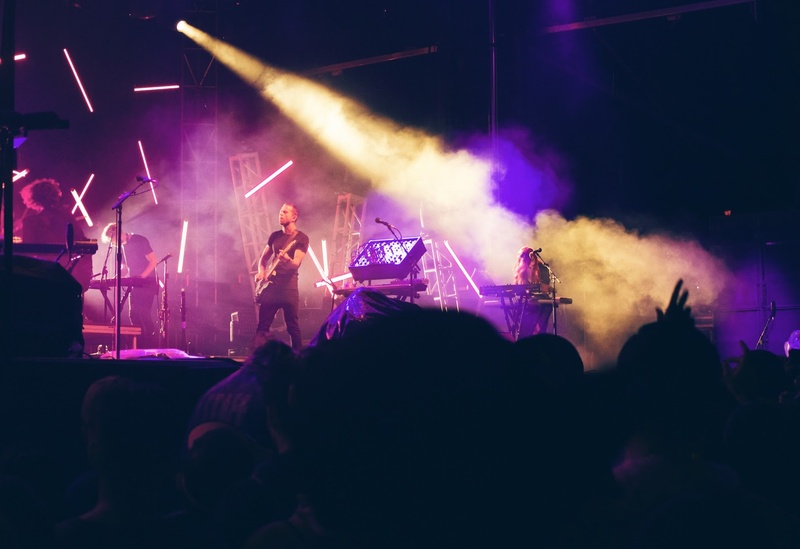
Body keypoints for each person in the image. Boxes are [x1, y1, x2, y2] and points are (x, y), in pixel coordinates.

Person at [16, 178, 93, 296]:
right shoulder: (66, 216)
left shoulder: (30, 221)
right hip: (66, 272)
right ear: (55, 195)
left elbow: (28, 252)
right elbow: (81, 241)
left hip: (41, 274)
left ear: (33, 198)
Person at [254, 203, 309, 352]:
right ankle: (258, 356)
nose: (281, 214)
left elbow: (296, 263)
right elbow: (263, 259)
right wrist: (261, 272)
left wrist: (287, 259)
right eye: (280, 212)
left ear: (294, 217)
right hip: (271, 287)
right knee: (263, 326)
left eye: (285, 212)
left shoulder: (301, 238)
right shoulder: (274, 236)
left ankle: (297, 358)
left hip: (289, 288)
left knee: (292, 327)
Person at [100, 222, 159, 348]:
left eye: (112, 240)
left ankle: (152, 343)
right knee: (133, 314)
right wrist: (115, 279)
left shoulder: (139, 240)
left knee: (144, 313)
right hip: (135, 285)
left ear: (116, 233)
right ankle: (139, 345)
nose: (113, 244)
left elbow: (153, 261)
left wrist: (142, 277)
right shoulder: (122, 247)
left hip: (147, 283)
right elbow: (126, 268)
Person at [512, 245, 552, 337]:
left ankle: (537, 333)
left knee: (545, 307)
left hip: (538, 300)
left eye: (534, 259)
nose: (532, 262)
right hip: (525, 301)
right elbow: (518, 289)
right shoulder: (521, 271)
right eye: (530, 260)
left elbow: (545, 287)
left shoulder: (542, 268)